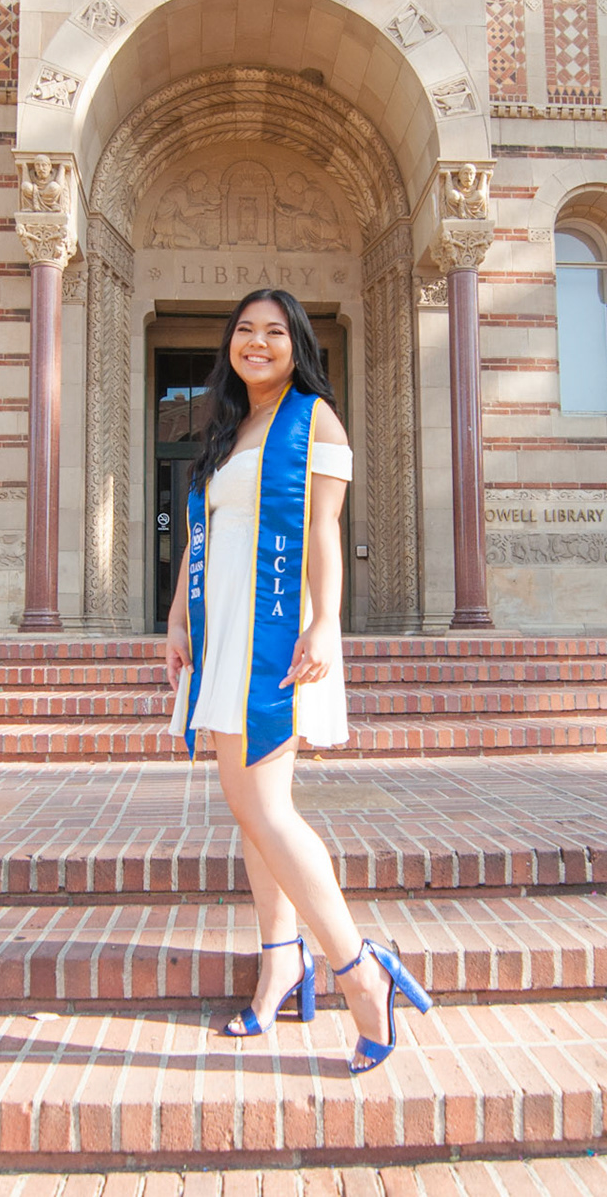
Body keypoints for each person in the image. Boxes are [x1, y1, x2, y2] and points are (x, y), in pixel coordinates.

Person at [165, 289, 432, 1075]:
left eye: (274, 331)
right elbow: (204, 534)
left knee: (263, 806)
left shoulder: (316, 421)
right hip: (222, 632)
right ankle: (280, 960)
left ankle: (359, 969)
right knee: (253, 811)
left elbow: (322, 530)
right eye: (245, 330)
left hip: (277, 633)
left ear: (296, 345)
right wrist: (177, 615)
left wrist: (325, 620)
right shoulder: (226, 430)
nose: (257, 341)